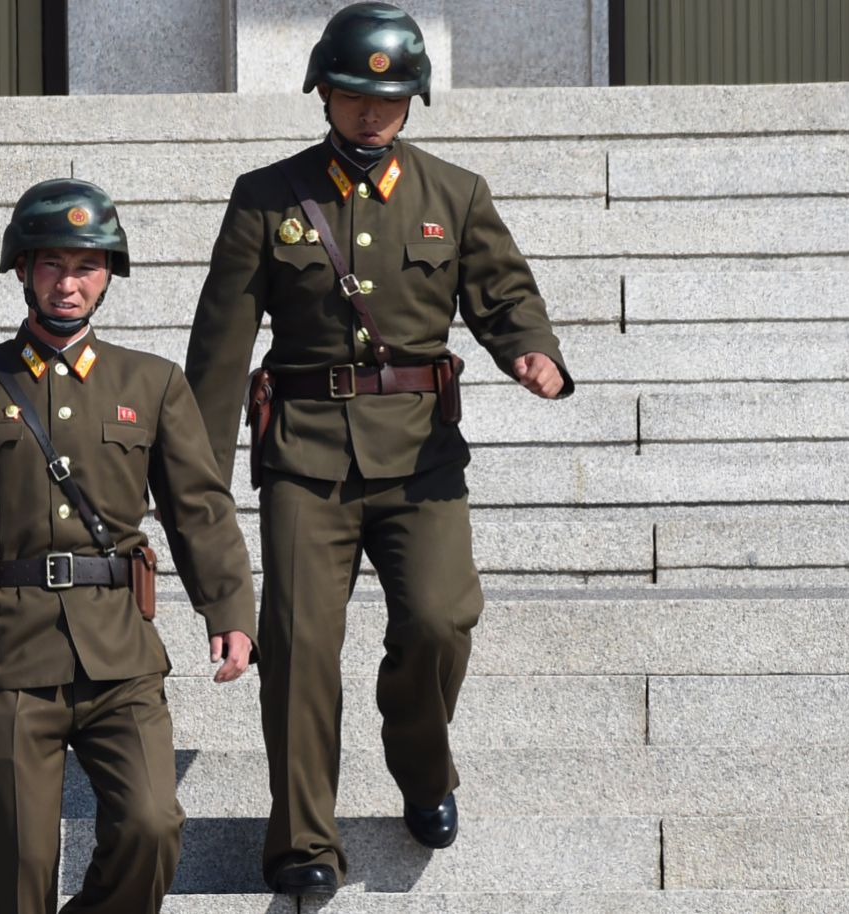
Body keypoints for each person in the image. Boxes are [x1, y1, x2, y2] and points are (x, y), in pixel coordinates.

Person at [185, 0, 575, 897]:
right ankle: (304, 844)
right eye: (356, 92)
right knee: (296, 646)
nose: (372, 110)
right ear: (323, 90)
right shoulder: (267, 197)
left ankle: (423, 769)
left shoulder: (453, 193)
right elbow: (222, 346)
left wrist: (532, 350)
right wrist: (196, 482)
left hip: (422, 456)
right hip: (306, 458)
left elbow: (503, 291)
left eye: (390, 95)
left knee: (440, 622)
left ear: (415, 99)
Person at [0, 178, 259, 914]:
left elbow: (200, 508)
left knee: (153, 826)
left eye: (86, 266)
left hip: (121, 652)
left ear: (108, 276)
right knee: (23, 860)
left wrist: (230, 608)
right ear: (24, 271)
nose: (69, 283)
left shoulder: (150, 383)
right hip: (12, 656)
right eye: (53, 265)